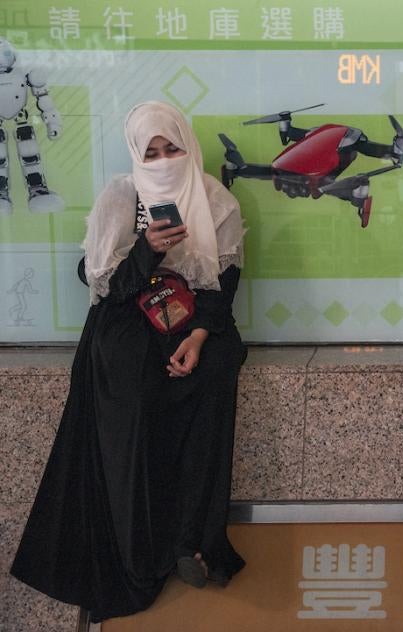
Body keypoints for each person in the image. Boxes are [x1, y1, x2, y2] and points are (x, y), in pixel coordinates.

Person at [10, 101, 247, 621]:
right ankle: (137, 551)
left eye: (173, 148)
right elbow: (101, 286)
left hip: (196, 327)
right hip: (130, 326)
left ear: (189, 146)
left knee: (212, 385)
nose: (163, 161)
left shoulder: (214, 199)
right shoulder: (121, 197)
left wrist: (200, 337)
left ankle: (192, 541)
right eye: (152, 151)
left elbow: (223, 283)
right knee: (132, 405)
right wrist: (146, 249)